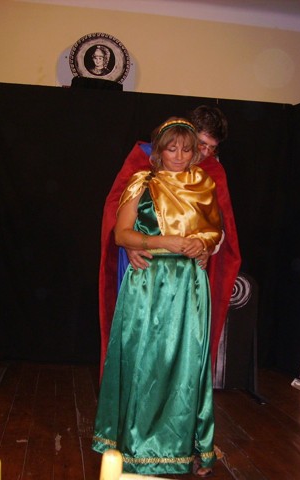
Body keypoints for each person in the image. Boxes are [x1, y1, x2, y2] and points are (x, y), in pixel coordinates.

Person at [92, 118, 222, 476]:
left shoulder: (205, 183)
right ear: (159, 150)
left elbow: (214, 231)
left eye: (186, 149)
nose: (179, 156)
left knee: (186, 365)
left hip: (189, 285)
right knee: (144, 363)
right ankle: (135, 447)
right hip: (149, 281)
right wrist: (162, 242)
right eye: (171, 148)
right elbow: (121, 235)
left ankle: (185, 447)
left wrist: (202, 244)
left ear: (195, 152)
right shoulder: (142, 182)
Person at [98, 106, 241, 387]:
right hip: (146, 267)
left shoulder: (211, 172)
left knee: (181, 348)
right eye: (201, 144)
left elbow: (220, 225)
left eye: (211, 148)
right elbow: (117, 214)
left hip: (187, 275)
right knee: (142, 346)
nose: (204, 153)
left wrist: (206, 246)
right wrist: (132, 244)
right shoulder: (144, 162)